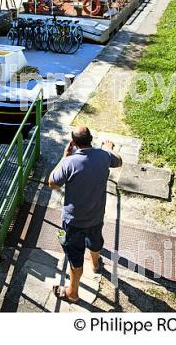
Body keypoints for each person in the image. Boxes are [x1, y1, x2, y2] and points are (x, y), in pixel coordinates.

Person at [49, 126, 122, 303]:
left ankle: (72, 293)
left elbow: (52, 183)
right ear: (91, 139)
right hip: (96, 216)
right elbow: (118, 161)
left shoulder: (69, 162)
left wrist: (64, 157)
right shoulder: (104, 156)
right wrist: (108, 148)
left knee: (74, 256)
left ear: (73, 143)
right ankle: (96, 264)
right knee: (95, 240)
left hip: (73, 222)